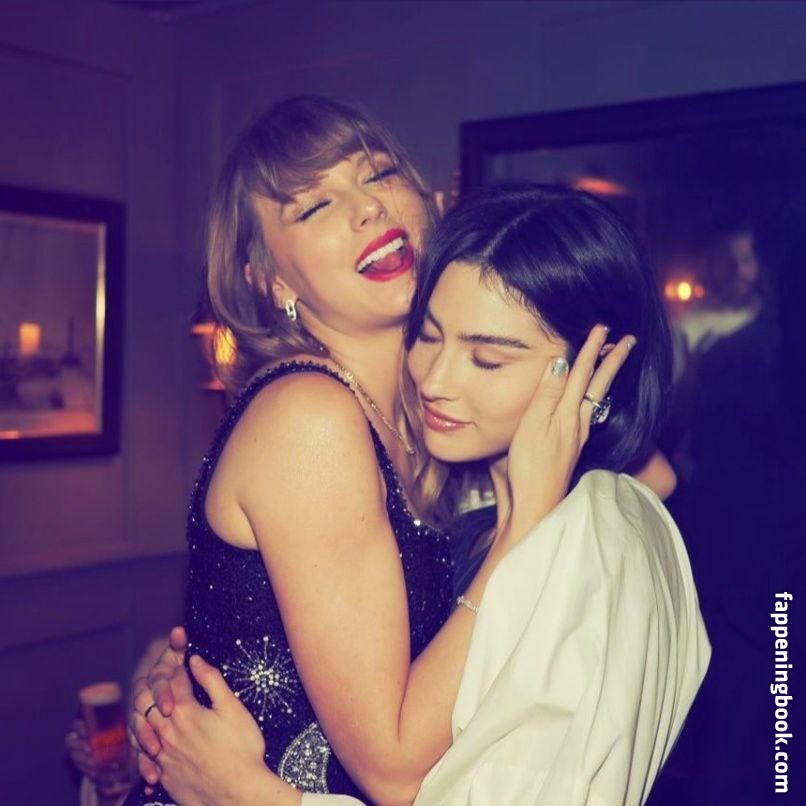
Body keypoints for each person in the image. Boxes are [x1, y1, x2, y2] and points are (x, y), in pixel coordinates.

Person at [113, 99, 633, 806]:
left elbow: (648, 478)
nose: (367, 209)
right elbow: (392, 769)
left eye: (379, 174)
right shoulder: (309, 417)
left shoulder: (429, 415)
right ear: (270, 278)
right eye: (313, 206)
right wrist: (526, 524)